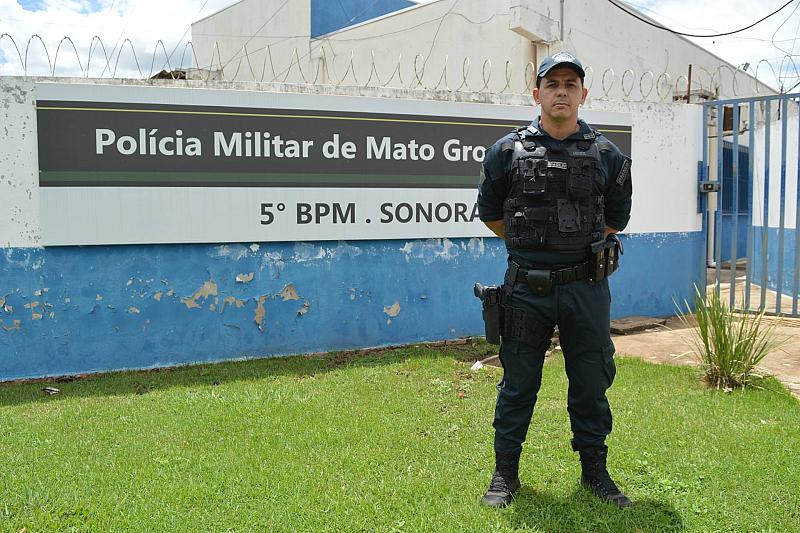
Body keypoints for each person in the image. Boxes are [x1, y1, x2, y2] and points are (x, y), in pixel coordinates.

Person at [476, 52, 633, 508]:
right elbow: (491, 214)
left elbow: (616, 220)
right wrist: (532, 248)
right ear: (537, 94)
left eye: (570, 84)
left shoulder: (608, 155)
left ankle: (595, 472)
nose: (561, 91)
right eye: (552, 84)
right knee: (518, 382)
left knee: (591, 381)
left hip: (587, 288)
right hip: (527, 288)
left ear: (583, 94)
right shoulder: (506, 152)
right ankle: (505, 474)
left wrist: (574, 253)